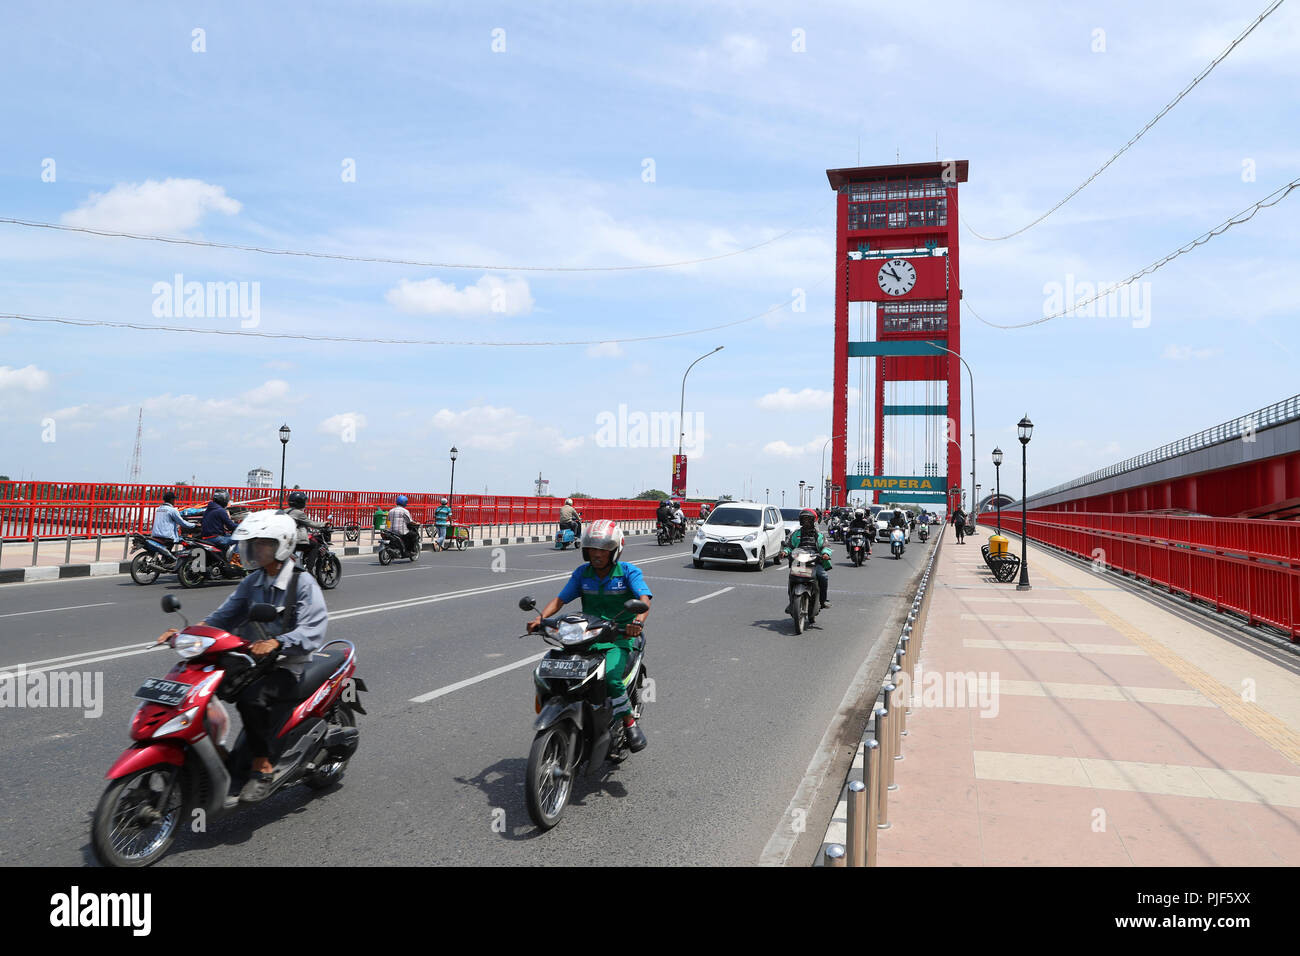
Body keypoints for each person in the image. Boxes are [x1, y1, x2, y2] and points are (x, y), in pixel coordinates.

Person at [157, 511, 328, 803]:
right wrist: (187, 634)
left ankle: (263, 767)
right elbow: (223, 617)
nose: (255, 549)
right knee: (199, 689)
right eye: (254, 543)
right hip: (252, 662)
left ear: (282, 545)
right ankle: (218, 756)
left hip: (287, 665)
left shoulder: (302, 584)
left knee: (252, 699)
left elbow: (314, 631)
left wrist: (277, 642)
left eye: (263, 543)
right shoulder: (253, 582)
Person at [527, 519, 652, 752]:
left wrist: (637, 622)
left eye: (603, 550)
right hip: (586, 638)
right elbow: (560, 599)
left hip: (618, 639)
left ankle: (629, 723)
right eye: (593, 549)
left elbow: (644, 600)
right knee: (550, 672)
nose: (597, 554)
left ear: (615, 551)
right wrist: (540, 619)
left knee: (613, 680)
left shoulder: (628, 572)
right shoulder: (582, 574)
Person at [782, 509, 833, 610]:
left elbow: (825, 546)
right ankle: (791, 602)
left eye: (808, 519)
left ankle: (823, 601)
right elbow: (789, 546)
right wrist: (785, 552)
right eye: (804, 519)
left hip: (815, 562)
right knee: (791, 579)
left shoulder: (819, 535)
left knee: (823, 576)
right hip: (799, 562)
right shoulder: (795, 534)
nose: (806, 521)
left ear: (813, 520)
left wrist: (825, 553)